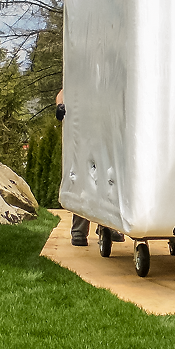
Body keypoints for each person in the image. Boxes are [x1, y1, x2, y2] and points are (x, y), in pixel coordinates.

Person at [55, 88, 123, 247]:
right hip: (85, 133)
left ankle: (108, 226)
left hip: (107, 133)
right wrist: (60, 106)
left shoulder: (110, 74)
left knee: (108, 179)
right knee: (84, 179)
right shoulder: (86, 72)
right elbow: (65, 91)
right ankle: (79, 231)